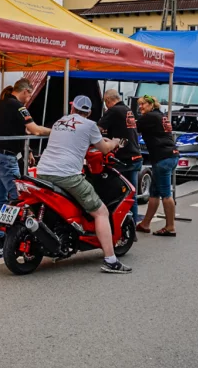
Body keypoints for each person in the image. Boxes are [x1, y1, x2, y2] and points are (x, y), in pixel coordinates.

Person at [37, 95, 130, 274]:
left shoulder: (59, 122)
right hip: (67, 175)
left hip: (43, 171)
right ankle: (111, 261)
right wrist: (115, 142)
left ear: (72, 108)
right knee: (101, 211)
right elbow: (103, 148)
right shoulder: (90, 125)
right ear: (89, 112)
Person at [0, 78, 49, 254]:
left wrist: (28, 149)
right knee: (19, 196)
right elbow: (35, 129)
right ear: (25, 91)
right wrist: (55, 131)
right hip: (8, 158)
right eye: (29, 94)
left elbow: (15, 130)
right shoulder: (19, 107)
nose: (29, 98)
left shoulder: (0, 105)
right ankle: (18, 234)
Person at [134, 95, 179, 236]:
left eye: (143, 104)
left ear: (151, 104)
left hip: (162, 157)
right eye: (139, 105)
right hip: (170, 155)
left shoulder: (150, 117)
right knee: (154, 193)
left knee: (166, 194)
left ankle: (170, 227)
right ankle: (145, 224)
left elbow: (131, 127)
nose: (140, 107)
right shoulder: (161, 115)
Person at [98, 89, 143, 226]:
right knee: (131, 196)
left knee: (115, 195)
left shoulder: (113, 111)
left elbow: (96, 129)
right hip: (135, 156)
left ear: (108, 101)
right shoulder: (127, 109)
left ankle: (116, 227)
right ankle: (132, 228)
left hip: (122, 159)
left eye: (105, 103)